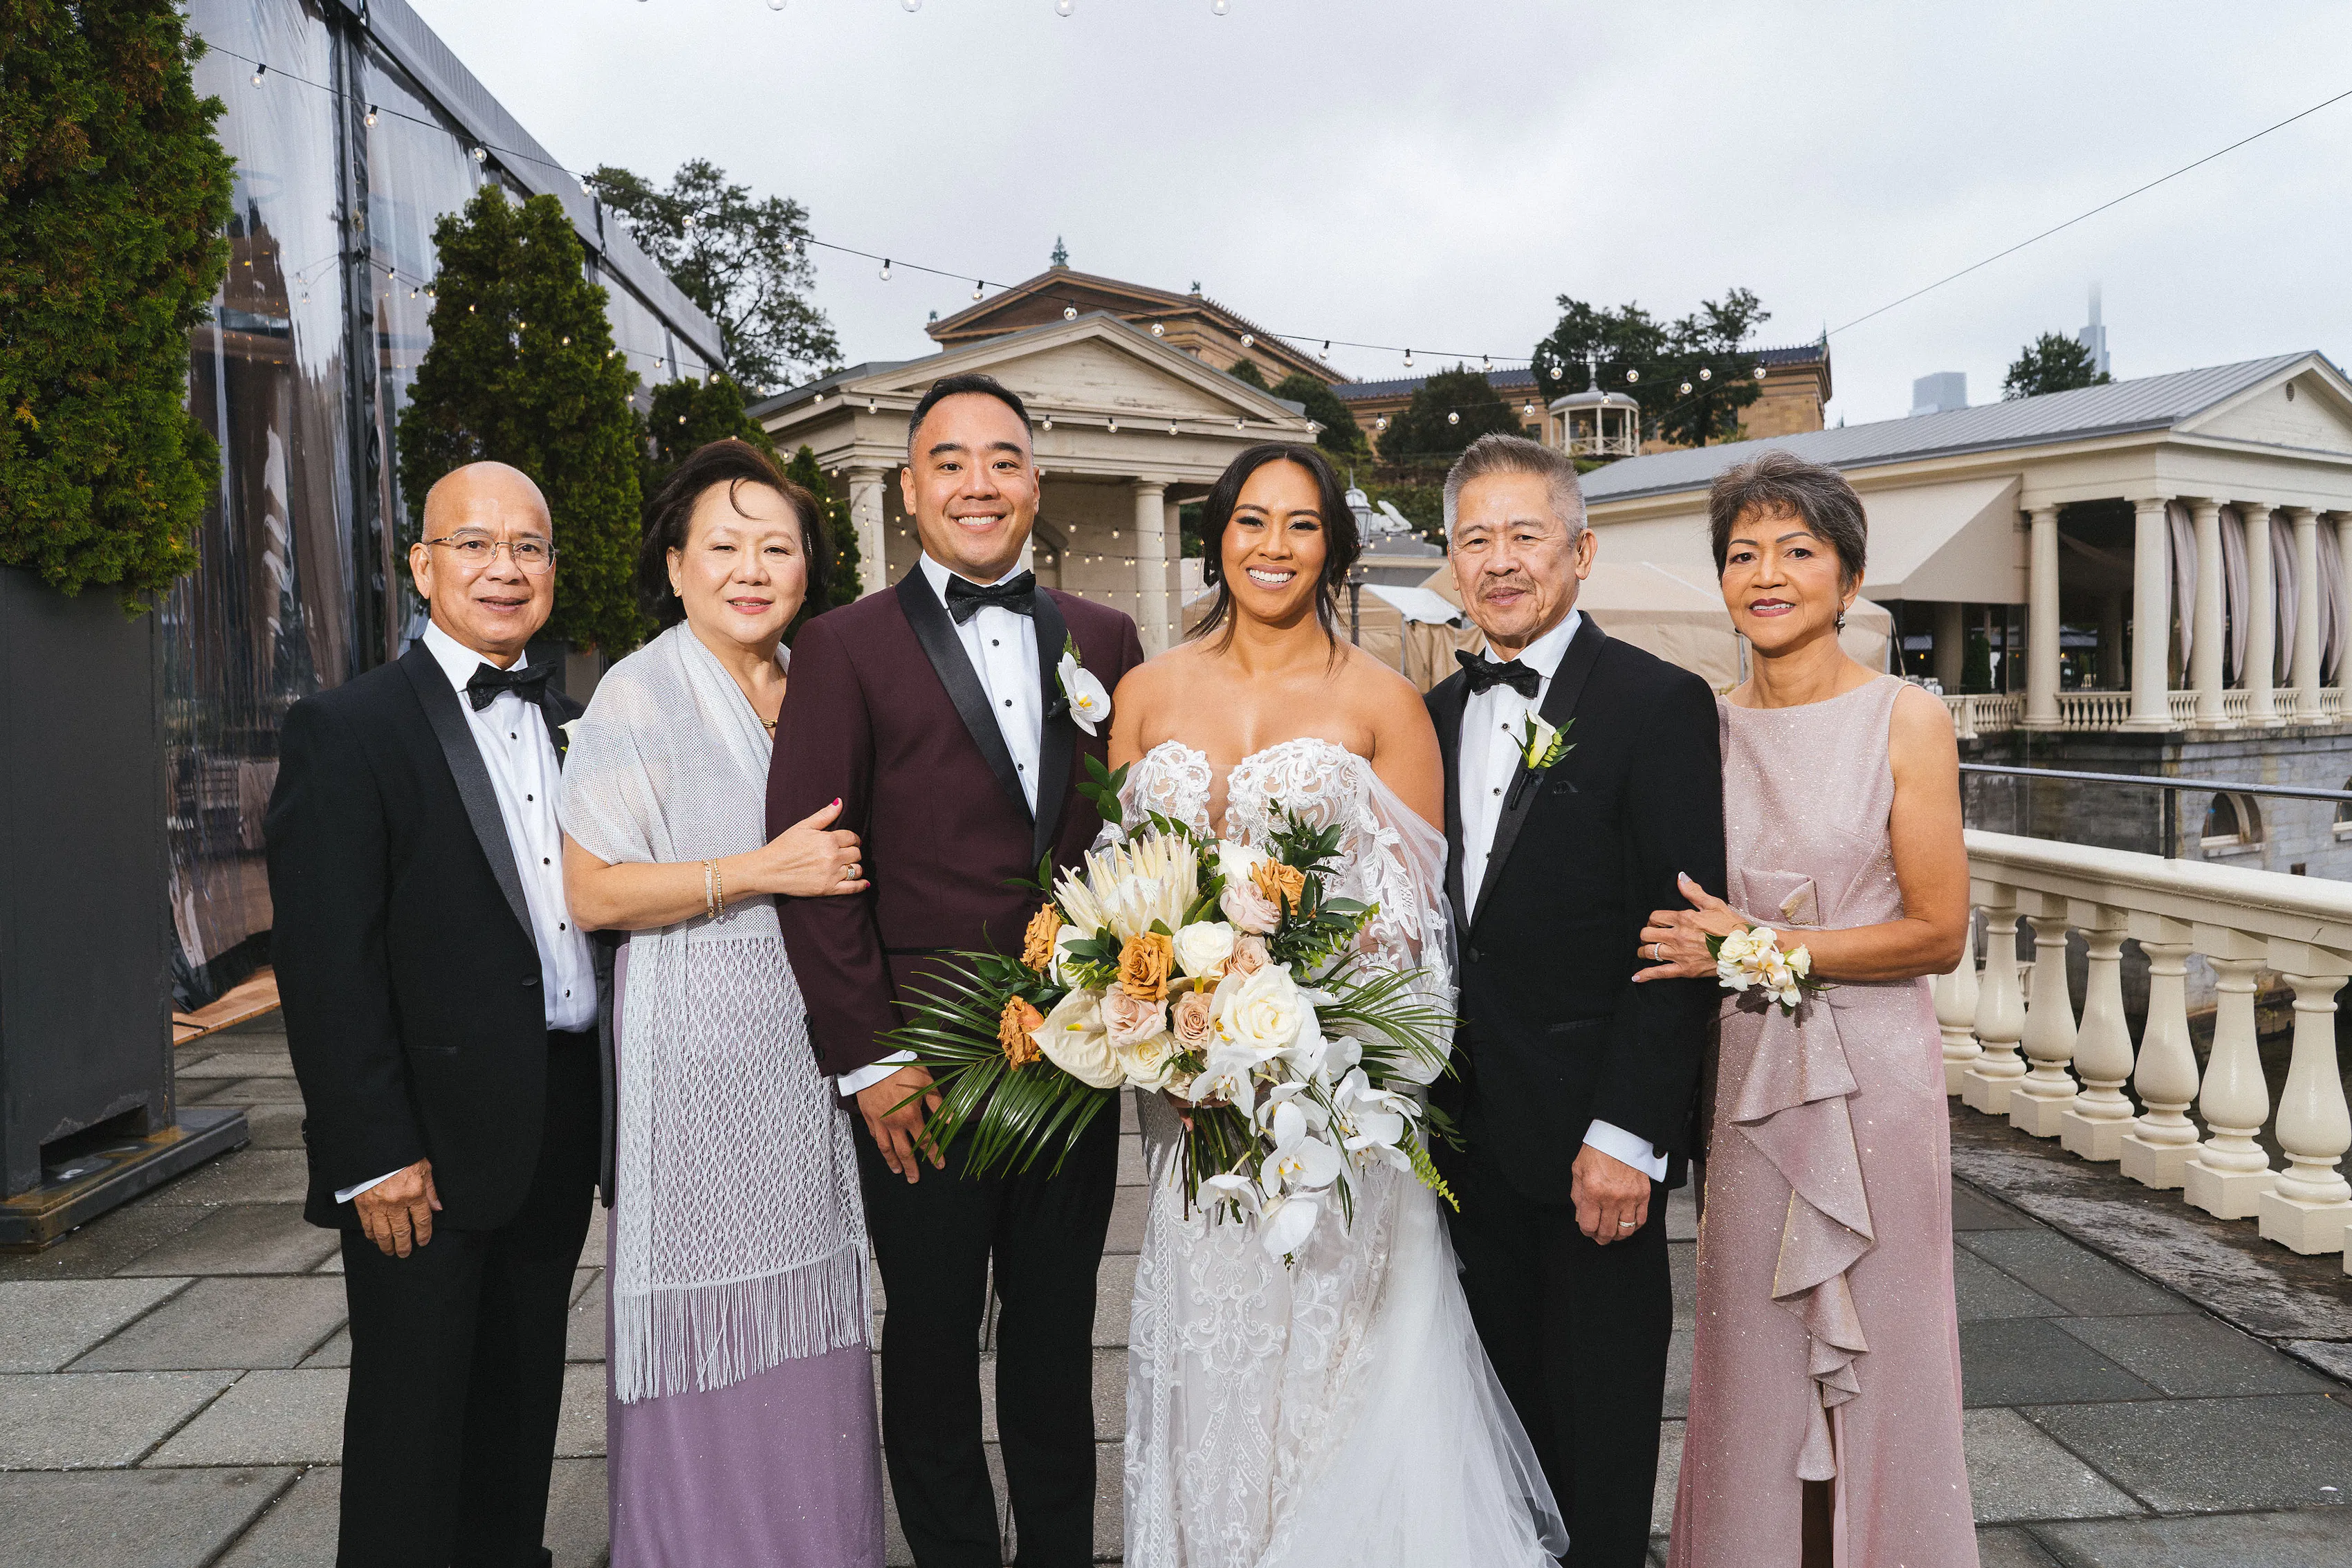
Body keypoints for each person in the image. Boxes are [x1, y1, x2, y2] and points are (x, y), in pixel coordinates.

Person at [1110, 441, 1568, 1568]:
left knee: (1330, 1360)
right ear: (1215, 536)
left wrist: (1321, 1051)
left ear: (1334, 546)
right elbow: (1120, 893)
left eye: (1302, 524)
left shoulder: (1383, 702)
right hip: (1188, 1100)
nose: (1274, 546)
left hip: (1336, 1098)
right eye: (1252, 521)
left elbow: (1421, 928)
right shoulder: (1145, 691)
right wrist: (1155, 1021)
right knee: (1210, 1345)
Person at [769, 373, 1146, 1568]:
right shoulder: (841, 647)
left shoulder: (1106, 638)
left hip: (1077, 1051)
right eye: (950, 461)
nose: (977, 483)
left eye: (1001, 460)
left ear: (1034, 482)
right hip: (921, 1065)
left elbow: (1137, 837)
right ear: (909, 486)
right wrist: (871, 1058)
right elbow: (817, 869)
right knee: (930, 1337)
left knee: (1055, 1333)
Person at [266, 461, 605, 1568]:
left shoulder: (578, 724)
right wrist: (373, 1152)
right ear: (423, 565)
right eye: (474, 543)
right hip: (423, 1144)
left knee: (520, 1412)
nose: (504, 568)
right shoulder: (347, 728)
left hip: (556, 1119)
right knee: (413, 1430)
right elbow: (326, 964)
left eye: (529, 547)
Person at [1643, 451, 1976, 1568]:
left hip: (1875, 1084)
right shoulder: (1694, 727)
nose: (1768, 574)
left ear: (1849, 576)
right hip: (1742, 1084)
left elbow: (1938, 930)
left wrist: (1758, 943)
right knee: (1752, 1354)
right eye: (1744, 553)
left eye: (1798, 551)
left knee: (1883, 1352)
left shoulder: (1907, 718)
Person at [558, 439, 882, 1567]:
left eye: (777, 547)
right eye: (725, 545)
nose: (752, 568)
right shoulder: (639, 689)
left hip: (806, 1061)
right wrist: (758, 870)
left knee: (819, 1325)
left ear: (808, 567)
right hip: (690, 1064)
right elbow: (592, 886)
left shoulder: (820, 679)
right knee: (708, 1337)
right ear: (679, 564)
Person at [1424, 432, 1727, 1567]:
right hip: (1455, 1149)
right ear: (1452, 560)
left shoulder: (1659, 704)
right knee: (1489, 1458)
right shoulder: (1432, 713)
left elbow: (1682, 937)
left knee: (1598, 1467)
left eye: (1524, 536)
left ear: (1581, 550)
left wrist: (1629, 1136)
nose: (1500, 562)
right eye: (1475, 539)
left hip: (1591, 1145)